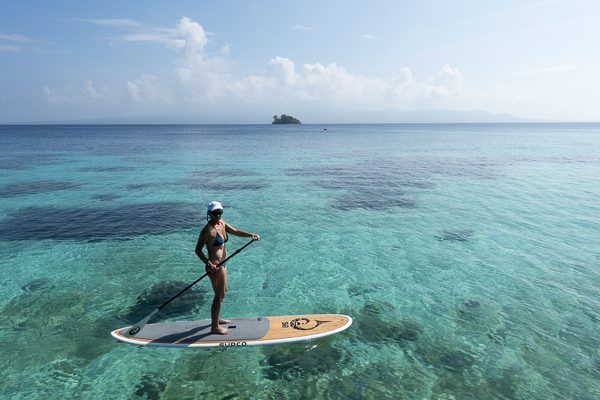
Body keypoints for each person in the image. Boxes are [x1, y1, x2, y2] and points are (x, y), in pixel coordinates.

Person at [195, 201, 259, 335]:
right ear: (209, 214)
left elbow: (235, 231)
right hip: (215, 268)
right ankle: (215, 327)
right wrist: (208, 263)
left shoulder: (222, 224)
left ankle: (217, 318)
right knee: (218, 297)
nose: (218, 216)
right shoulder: (207, 230)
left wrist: (250, 235)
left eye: (220, 213)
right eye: (215, 213)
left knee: (223, 293)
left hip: (223, 264)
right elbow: (198, 250)